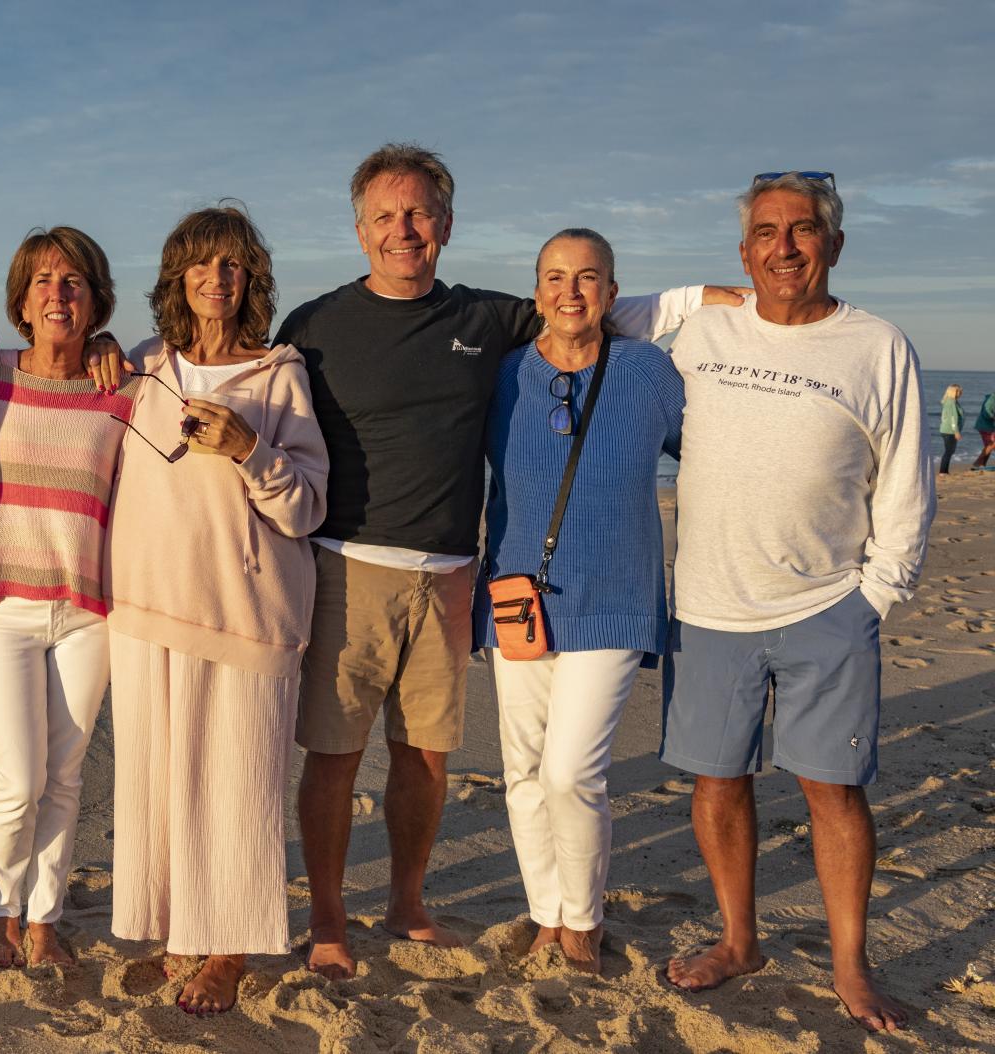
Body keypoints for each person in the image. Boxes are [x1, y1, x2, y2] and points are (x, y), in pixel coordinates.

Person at [275, 142, 744, 980]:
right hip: (354, 568)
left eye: (419, 213)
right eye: (385, 216)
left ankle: (417, 904)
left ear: (446, 226)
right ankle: (333, 919)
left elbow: (598, 320)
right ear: (359, 231)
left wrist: (705, 302)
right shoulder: (313, 325)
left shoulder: (488, 323)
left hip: (458, 574)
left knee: (431, 757)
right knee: (343, 756)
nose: (403, 230)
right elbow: (260, 405)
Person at [660, 172, 935, 1032]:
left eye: (805, 229)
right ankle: (741, 939)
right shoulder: (701, 332)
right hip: (709, 605)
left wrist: (876, 597)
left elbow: (906, 481)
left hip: (829, 606)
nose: (786, 246)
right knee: (718, 782)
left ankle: (851, 964)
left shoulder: (877, 345)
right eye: (768, 232)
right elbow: (587, 302)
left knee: (833, 790)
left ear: (835, 245)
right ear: (744, 253)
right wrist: (696, 292)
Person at [104, 205, 329, 1014]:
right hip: (143, 608)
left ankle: (229, 949)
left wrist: (250, 450)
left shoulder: (278, 374)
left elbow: (306, 506)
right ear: (178, 278)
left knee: (237, 784)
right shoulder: (138, 366)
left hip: (246, 611)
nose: (216, 280)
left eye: (232, 266)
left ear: (251, 280)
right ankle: (179, 926)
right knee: (161, 784)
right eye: (200, 265)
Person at [473, 229, 683, 975]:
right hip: (515, 599)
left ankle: (584, 919)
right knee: (522, 771)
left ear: (612, 293)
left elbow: (714, 456)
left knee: (570, 772)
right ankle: (546, 912)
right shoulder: (503, 377)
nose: (571, 292)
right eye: (556, 278)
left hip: (615, 597)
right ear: (536, 296)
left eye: (588, 277)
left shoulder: (650, 372)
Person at [0, 227, 134, 969]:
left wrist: (116, 345)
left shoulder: (121, 388)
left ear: (95, 300)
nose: (57, 295)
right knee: (19, 777)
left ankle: (44, 920)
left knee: (66, 777)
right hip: (4, 607)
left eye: (73, 283)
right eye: (42, 282)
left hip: (90, 610)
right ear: (21, 301)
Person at [939, 384, 964, 474]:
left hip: (948, 430)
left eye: (960, 391)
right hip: (949, 431)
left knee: (950, 451)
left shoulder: (951, 401)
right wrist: (956, 432)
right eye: (958, 391)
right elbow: (953, 418)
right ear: (953, 392)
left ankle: (945, 471)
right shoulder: (951, 402)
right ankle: (942, 472)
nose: (960, 393)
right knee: (948, 451)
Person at [972, 390, 995, 469]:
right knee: (991, 445)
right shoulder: (992, 399)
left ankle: (981, 465)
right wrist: (993, 417)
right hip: (985, 426)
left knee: (989, 445)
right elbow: (986, 412)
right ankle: (978, 463)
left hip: (987, 426)